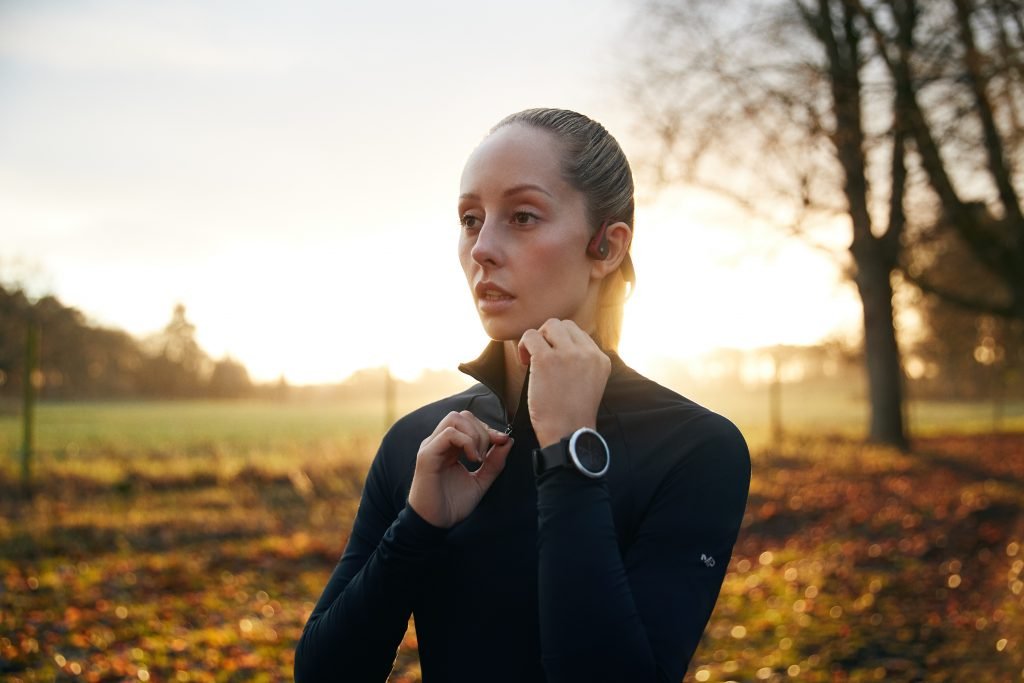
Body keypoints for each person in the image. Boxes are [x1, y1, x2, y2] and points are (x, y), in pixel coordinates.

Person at [294, 108, 751, 682]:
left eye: (523, 216)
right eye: (470, 219)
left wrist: (568, 453)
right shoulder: (424, 444)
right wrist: (417, 528)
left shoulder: (696, 449)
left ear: (606, 248)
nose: (482, 247)